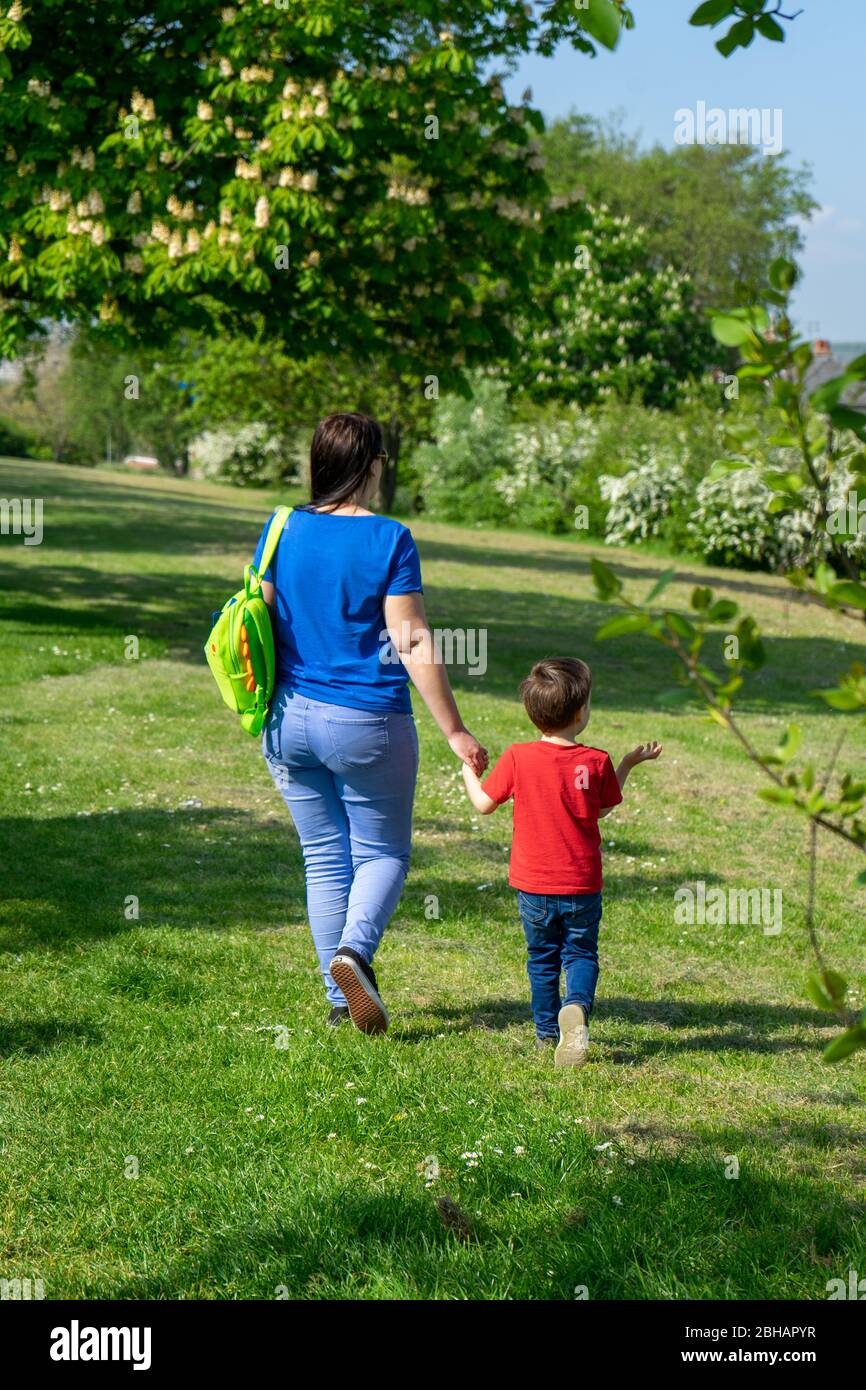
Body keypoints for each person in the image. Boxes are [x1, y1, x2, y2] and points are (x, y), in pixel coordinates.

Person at [254, 412, 488, 1035]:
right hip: (367, 722)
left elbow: (263, 621)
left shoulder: (280, 528)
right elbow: (409, 639)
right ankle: (355, 954)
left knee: (324, 858)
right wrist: (456, 730)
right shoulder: (389, 538)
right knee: (382, 852)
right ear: (373, 466)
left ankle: (339, 1003)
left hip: (287, 722)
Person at [460, 656, 661, 1068]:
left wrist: (468, 771)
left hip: (533, 886)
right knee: (582, 954)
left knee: (542, 959)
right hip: (582, 884)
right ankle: (578, 1010)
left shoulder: (518, 757)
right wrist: (626, 764)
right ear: (581, 712)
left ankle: (546, 1034)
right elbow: (601, 809)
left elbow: (483, 805)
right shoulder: (597, 760)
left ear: (533, 714)